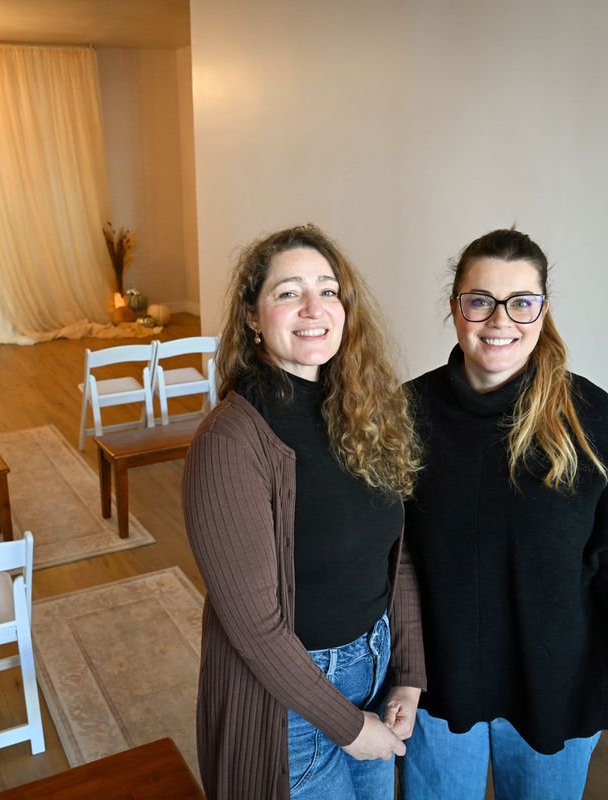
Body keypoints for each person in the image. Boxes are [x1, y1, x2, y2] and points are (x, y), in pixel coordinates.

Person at [398, 228, 608, 799]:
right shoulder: (405, 414)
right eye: (480, 301)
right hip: (437, 694)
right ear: (455, 308)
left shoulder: (587, 416)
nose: (501, 321)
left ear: (542, 311)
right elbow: (383, 560)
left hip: (555, 691)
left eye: (521, 302)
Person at [182, 224, 426, 799]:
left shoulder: (363, 414)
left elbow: (396, 555)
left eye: (328, 289)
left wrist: (409, 676)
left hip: (374, 673)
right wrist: (346, 726)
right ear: (251, 316)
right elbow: (254, 627)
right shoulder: (231, 443)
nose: (314, 307)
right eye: (288, 292)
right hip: (290, 708)